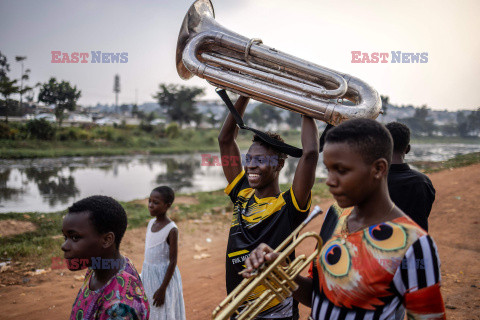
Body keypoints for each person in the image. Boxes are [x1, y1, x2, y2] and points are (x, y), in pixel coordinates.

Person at [243, 119, 446, 320]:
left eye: (342, 170)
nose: (330, 181)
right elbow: (317, 296)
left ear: (378, 169)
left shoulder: (414, 243)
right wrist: (280, 273)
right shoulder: (335, 217)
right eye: (329, 170)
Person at [218, 96, 319, 320]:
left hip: (277, 311)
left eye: (261, 160)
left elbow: (310, 154)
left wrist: (307, 106)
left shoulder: (289, 205)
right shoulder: (242, 193)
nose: (251, 165)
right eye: (249, 158)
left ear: (279, 165)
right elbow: (225, 140)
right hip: (238, 307)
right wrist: (244, 93)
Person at [62, 195, 149, 320]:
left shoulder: (120, 308)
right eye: (65, 237)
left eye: (75, 237)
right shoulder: (99, 265)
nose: (64, 246)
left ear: (107, 240)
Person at [141, 186, 186, 320]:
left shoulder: (171, 229)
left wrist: (162, 289)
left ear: (167, 205)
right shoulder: (150, 224)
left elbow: (173, 261)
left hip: (163, 279)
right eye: (149, 201)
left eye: (155, 203)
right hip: (149, 276)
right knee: (150, 310)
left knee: (162, 312)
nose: (150, 205)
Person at [386, 121, 435, 231]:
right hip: (415, 244)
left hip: (379, 245)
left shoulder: (372, 181)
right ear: (407, 149)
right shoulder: (423, 182)